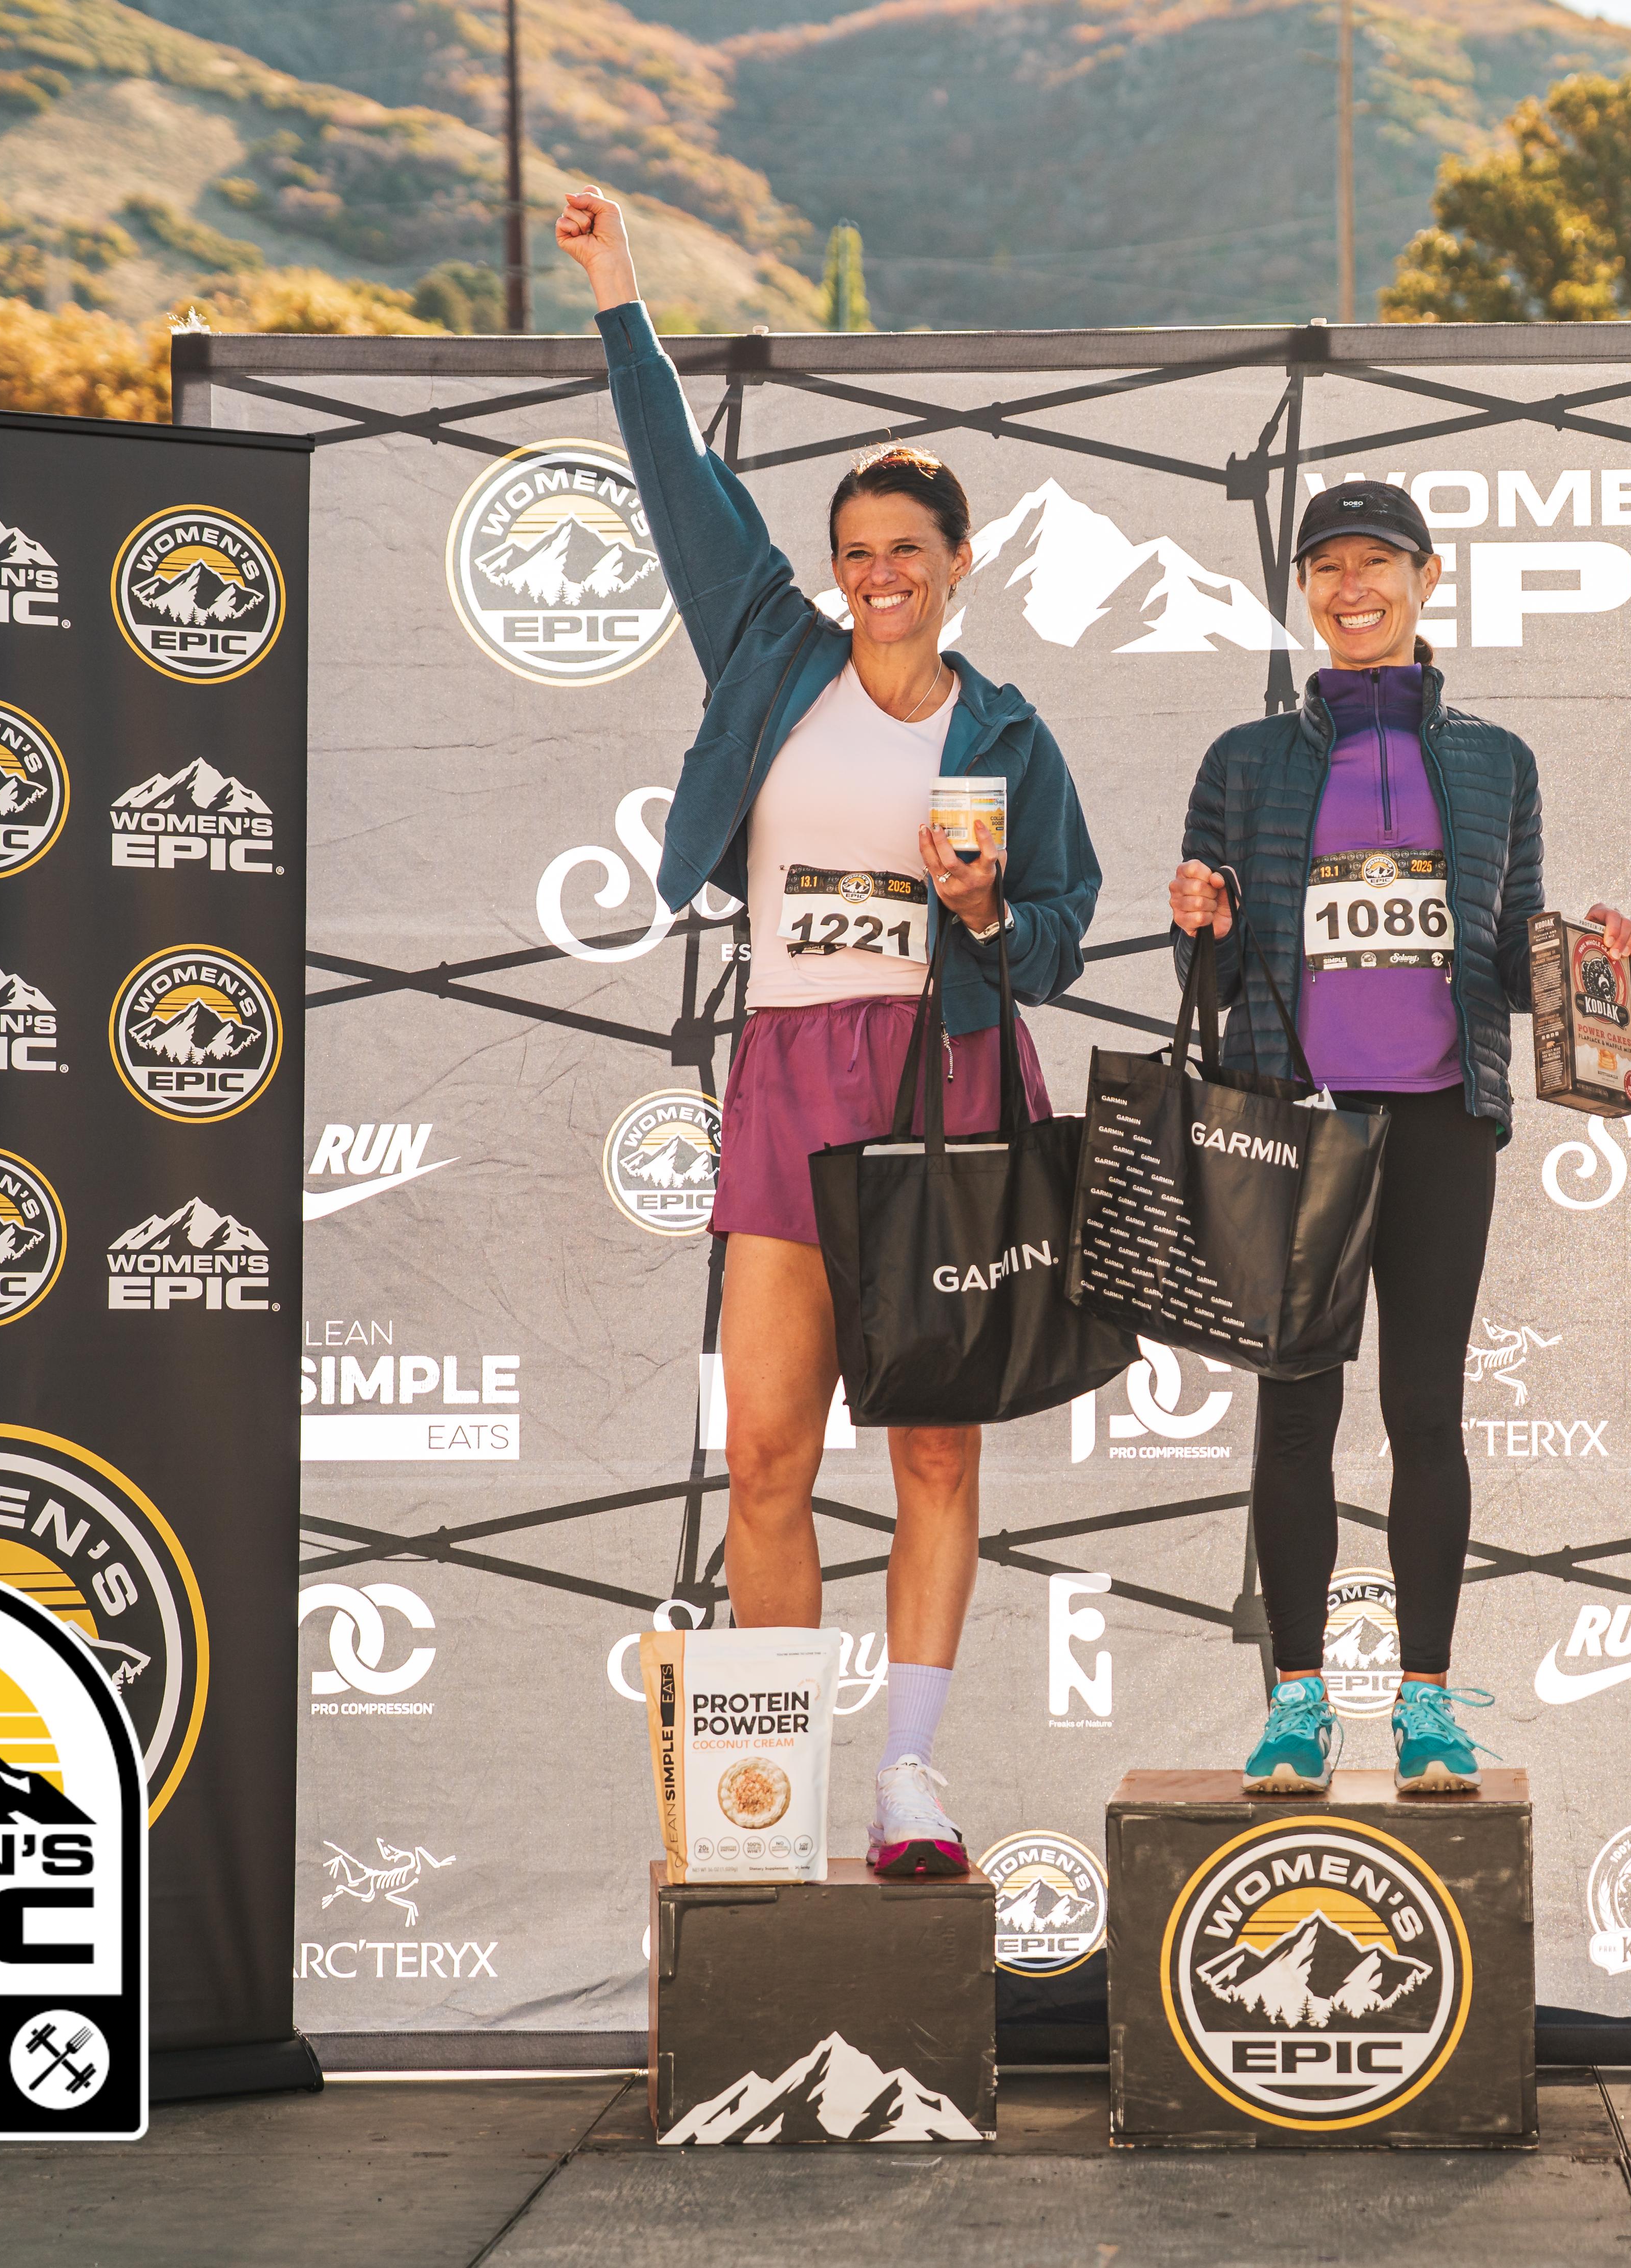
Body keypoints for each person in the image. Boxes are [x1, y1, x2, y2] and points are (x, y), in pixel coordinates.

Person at [557, 187, 1103, 1879]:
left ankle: (907, 1783)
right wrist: (620, 295)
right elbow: (678, 483)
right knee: (769, 1454)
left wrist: (987, 915)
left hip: (948, 1078)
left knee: (933, 1443)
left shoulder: (1008, 730)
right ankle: (772, 1791)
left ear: (958, 565)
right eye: (856, 550)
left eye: (907, 552)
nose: (878, 576)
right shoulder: (768, 647)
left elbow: (1064, 932)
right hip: (794, 1072)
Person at [1167, 479, 1631, 1799]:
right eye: (1328, 567)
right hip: (1293, 1123)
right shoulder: (1244, 760)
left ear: (1428, 580)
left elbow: (1507, 956)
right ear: (1304, 590)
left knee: (1425, 1412)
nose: (1353, 588)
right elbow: (1212, 983)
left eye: (1378, 563)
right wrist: (1201, 921)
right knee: (1294, 1418)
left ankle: (1428, 1707)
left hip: (1442, 1123)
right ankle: (1297, 1707)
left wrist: (1585, 957)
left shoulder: (1498, 762)